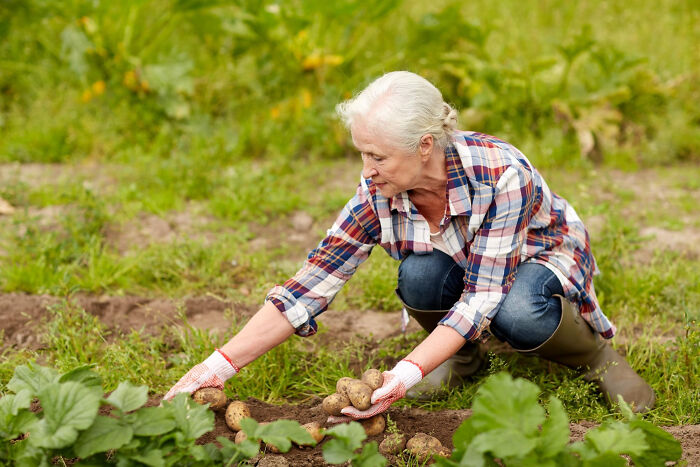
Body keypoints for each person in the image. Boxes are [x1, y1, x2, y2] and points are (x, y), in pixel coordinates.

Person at [164, 71, 655, 417]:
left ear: (425, 145)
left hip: (537, 254)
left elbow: (483, 295)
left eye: (377, 155)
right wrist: (216, 366)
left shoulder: (502, 174)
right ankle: (463, 361)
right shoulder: (376, 191)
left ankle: (596, 358)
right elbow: (311, 285)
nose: (366, 169)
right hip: (468, 262)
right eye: (361, 153)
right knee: (417, 276)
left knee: (517, 310)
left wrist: (402, 375)